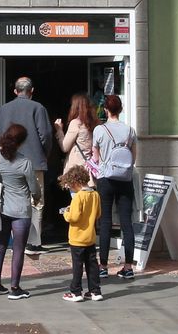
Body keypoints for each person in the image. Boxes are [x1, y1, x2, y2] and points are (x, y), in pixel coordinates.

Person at [0, 77, 52, 255]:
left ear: (15, 91)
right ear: (32, 91)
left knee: (8, 198)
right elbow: (45, 135)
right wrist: (43, 154)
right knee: (36, 201)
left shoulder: (5, 108)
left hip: (7, 162)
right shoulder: (38, 108)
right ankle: (33, 243)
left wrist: (0, 148)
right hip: (34, 161)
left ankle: (12, 240)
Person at [0, 124, 40, 300]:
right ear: (21, 143)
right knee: (18, 249)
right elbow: (34, 189)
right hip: (21, 211)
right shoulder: (24, 163)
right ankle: (15, 288)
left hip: (1, 209)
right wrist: (37, 198)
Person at [91, 95, 137, 279]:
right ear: (121, 109)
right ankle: (128, 267)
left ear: (106, 110)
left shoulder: (99, 130)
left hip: (105, 179)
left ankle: (103, 266)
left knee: (105, 222)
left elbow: (95, 158)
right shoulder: (130, 131)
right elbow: (133, 157)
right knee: (127, 222)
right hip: (125, 179)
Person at [58, 165, 103, 302]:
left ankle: (76, 292)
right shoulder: (95, 195)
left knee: (77, 266)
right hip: (90, 237)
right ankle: (95, 291)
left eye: (70, 185)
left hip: (77, 238)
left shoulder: (78, 197)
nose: (70, 188)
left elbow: (74, 217)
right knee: (92, 265)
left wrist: (66, 213)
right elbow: (98, 214)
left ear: (75, 182)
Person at [54, 93, 98, 191]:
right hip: (88, 168)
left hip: (76, 170)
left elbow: (65, 147)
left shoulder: (76, 123)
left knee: (77, 198)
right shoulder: (94, 123)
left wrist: (59, 130)